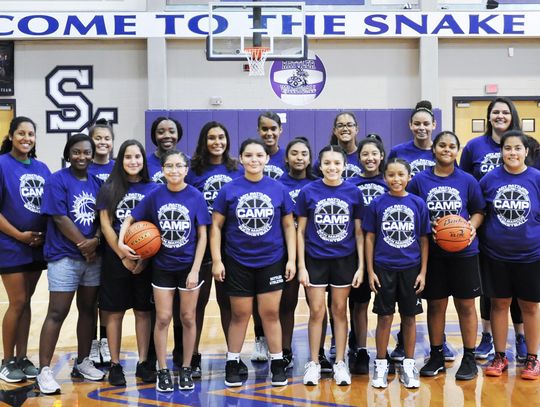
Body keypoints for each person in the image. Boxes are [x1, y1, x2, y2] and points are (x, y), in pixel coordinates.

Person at [118, 150, 211, 392]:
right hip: (163, 268)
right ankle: (162, 370)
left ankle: (187, 368)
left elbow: (202, 236)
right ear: (163, 169)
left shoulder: (196, 196)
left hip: (188, 268)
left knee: (188, 318)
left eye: (179, 165)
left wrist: (195, 270)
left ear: (186, 170)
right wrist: (121, 243)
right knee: (162, 318)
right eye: (169, 165)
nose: (174, 170)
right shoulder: (155, 195)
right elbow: (129, 219)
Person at [211, 138, 296, 388]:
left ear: (267, 159)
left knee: (270, 313)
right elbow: (215, 226)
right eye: (249, 155)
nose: (254, 160)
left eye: (259, 155)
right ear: (240, 158)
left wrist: (291, 259)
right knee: (240, 314)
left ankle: (278, 362)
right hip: (238, 261)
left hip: (271, 260)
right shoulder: (229, 189)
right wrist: (217, 260)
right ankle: (233, 362)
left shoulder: (278, 189)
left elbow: (289, 226)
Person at [408, 131, 485, 381]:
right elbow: (411, 208)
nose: (447, 149)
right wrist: (425, 224)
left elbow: (478, 210)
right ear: (434, 149)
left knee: (465, 305)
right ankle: (436, 354)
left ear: (457, 151)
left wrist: (470, 227)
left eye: (452, 146)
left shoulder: (467, 180)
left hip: (465, 252)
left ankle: (470, 358)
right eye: (442, 145)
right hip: (434, 252)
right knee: (436, 304)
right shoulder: (420, 181)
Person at [460, 97, 527, 362]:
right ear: (488, 116)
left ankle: (521, 336)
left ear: (512, 116)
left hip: (516, 222)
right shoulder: (474, 147)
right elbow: (464, 181)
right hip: (485, 225)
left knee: (521, 289)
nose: (500, 116)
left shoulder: (525, 144)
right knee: (489, 287)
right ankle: (487, 336)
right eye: (495, 112)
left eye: (505, 112)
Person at [36, 134, 104, 395]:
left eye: (86, 152)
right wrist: (84, 245)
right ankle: (44, 370)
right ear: (68, 154)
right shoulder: (57, 180)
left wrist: (96, 240)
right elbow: (59, 217)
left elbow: (102, 218)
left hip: (93, 257)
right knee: (58, 311)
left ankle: (83, 361)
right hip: (64, 256)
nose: (82, 157)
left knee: (89, 309)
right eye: (76, 152)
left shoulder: (97, 183)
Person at [297, 144, 364, 387]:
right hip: (315, 260)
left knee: (339, 310)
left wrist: (361, 267)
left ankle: (339, 363)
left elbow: (358, 233)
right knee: (316, 312)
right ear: (320, 165)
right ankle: (314, 363)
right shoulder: (309, 191)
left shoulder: (353, 192)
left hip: (344, 260)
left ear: (344, 166)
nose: (332, 167)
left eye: (337, 163)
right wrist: (301, 265)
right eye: (327, 163)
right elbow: (301, 231)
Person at [363, 158, 430, 389]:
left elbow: (423, 239)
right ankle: (381, 362)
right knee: (384, 317)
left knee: (410, 317)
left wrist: (423, 271)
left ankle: (409, 364)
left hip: (411, 268)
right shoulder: (377, 204)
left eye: (401, 174)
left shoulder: (418, 203)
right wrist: (370, 270)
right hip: (384, 267)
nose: (396, 179)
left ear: (409, 177)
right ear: (384, 178)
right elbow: (369, 238)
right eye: (391, 175)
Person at [95, 140, 158, 386]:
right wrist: (122, 255)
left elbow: (156, 227)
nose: (133, 161)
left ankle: (143, 362)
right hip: (115, 260)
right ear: (120, 161)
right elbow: (106, 225)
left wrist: (143, 260)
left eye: (138, 157)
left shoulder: (153, 189)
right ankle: (115, 364)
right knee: (115, 312)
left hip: (146, 261)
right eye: (128, 157)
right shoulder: (109, 188)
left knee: (144, 311)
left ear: (144, 161)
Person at [480, 130, 540, 380]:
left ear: (526, 152)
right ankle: (500, 355)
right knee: (499, 304)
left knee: (530, 306)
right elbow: (480, 213)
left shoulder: (537, 178)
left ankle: (533, 358)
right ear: (501, 152)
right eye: (507, 148)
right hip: (496, 254)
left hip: (531, 254)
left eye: (517, 148)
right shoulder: (489, 179)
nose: (512, 153)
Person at [186, 121, 243, 377]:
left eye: (221, 137)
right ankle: (193, 355)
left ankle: (234, 356)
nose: (217, 142)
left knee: (226, 303)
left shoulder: (235, 170)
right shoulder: (193, 171)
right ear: (204, 141)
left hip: (227, 244)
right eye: (211, 137)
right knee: (195, 304)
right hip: (199, 244)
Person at [0, 117, 50, 383]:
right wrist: (19, 235)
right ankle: (6, 360)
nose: (26, 138)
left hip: (36, 246)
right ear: (11, 135)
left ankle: (22, 357)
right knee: (17, 302)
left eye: (31, 134)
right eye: (21, 133)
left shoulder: (42, 168)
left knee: (27, 303)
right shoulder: (1, 165)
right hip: (10, 245)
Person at [146, 116, 186, 367]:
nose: (167, 135)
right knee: (157, 312)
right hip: (152, 248)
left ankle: (182, 355)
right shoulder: (146, 163)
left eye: (172, 130)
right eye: (161, 131)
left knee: (185, 313)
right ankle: (153, 358)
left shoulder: (183, 162)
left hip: (181, 246)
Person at [349, 136, 388, 375]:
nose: (370, 158)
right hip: (358, 251)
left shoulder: (390, 181)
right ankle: (361, 349)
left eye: (374, 154)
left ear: (382, 156)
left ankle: (393, 350)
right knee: (360, 303)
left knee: (388, 306)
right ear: (359, 158)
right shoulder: (350, 185)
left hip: (388, 250)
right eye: (365, 154)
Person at [278, 137, 317, 370]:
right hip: (285, 252)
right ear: (286, 157)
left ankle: (320, 351)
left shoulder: (318, 183)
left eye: (304, 153)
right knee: (287, 303)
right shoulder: (278, 184)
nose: (299, 157)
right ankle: (285, 350)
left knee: (318, 306)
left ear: (310, 158)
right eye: (294, 153)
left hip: (315, 251)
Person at [87, 119, 115, 367]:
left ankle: (105, 339)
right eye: (98, 138)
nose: (103, 142)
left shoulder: (119, 169)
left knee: (106, 297)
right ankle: (93, 342)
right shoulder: (84, 168)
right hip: (91, 242)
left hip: (114, 242)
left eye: (107, 138)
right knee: (92, 296)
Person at [388, 100, 436, 176]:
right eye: (417, 124)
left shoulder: (441, 153)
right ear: (410, 124)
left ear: (433, 125)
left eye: (426, 124)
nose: (421, 128)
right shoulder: (397, 151)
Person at [147, 116, 183, 183]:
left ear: (178, 135)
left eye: (172, 132)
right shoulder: (144, 163)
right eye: (161, 132)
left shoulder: (188, 163)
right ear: (154, 136)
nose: (167, 136)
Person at [257, 111, 287, 180]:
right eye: (265, 129)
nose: (269, 133)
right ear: (258, 130)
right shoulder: (252, 157)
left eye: (273, 129)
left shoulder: (288, 157)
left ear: (280, 129)